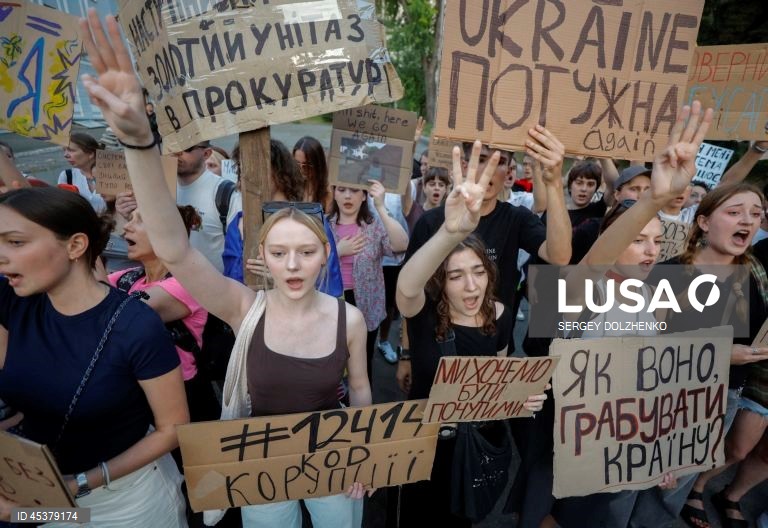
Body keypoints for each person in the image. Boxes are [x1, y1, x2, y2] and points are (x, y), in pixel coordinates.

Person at [77, 11, 373, 527]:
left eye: (306, 251)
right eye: (279, 252)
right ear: (263, 259)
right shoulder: (243, 308)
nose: (293, 263)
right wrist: (139, 145)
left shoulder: (349, 321)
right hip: (259, 466)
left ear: (326, 255)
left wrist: (363, 452)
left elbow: (364, 391)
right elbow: (174, 249)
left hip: (332, 463)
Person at [0, 187, 188, 526]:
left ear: (75, 245)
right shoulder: (15, 301)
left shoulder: (135, 326)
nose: (2, 255)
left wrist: (81, 482)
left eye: (15, 242)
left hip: (124, 505)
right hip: (44, 503)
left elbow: (173, 428)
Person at [395, 141, 547, 527]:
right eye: (455, 275)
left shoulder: (501, 314)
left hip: (474, 450)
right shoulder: (423, 314)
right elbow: (407, 286)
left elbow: (495, 379)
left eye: (478, 272)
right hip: (425, 447)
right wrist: (450, 232)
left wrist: (517, 398)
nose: (470, 286)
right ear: (441, 283)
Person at [108, 206, 220, 423]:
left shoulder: (186, 282)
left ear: (167, 233)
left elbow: (126, 314)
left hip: (185, 398)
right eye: (129, 219)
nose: (126, 228)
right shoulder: (128, 277)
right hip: (136, 389)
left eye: (139, 221)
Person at [329, 182, 409, 382]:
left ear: (364, 196)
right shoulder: (323, 224)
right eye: (341, 190)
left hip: (365, 304)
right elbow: (310, 265)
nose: (348, 196)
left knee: (362, 362)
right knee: (331, 360)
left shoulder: (373, 225)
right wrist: (338, 251)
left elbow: (401, 245)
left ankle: (362, 406)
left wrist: (381, 207)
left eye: (354, 190)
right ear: (334, 194)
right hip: (332, 303)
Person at [57, 132, 107, 213]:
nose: (65, 155)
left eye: (71, 150)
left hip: (111, 223)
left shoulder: (111, 174)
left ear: (90, 153)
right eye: (64, 150)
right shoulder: (67, 175)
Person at [293, 136, 332, 211]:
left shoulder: (327, 191)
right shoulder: (290, 185)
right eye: (296, 164)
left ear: (318, 164)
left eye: (307, 165)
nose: (301, 169)